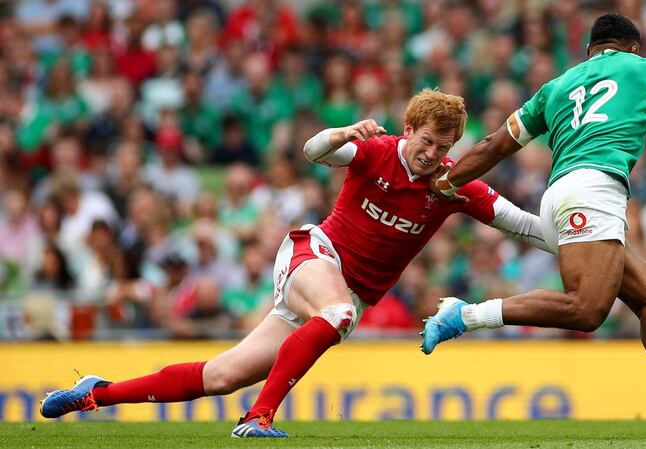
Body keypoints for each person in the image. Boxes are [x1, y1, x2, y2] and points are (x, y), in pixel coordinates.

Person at [38, 89, 553, 437]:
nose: (431, 153)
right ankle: (259, 418)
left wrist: (583, 243)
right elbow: (313, 152)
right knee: (337, 314)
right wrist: (341, 132)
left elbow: (522, 225)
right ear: (409, 128)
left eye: (443, 147)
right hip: (314, 256)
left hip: (341, 295)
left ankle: (96, 393)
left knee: (220, 376)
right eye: (426, 141)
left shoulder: (451, 185)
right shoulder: (374, 151)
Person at [423, 13, 646, 434]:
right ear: (632, 47)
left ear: (590, 49)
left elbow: (492, 145)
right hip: (596, 191)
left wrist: (446, 180)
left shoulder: (555, 87)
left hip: (557, 196)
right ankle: (466, 315)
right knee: (587, 309)